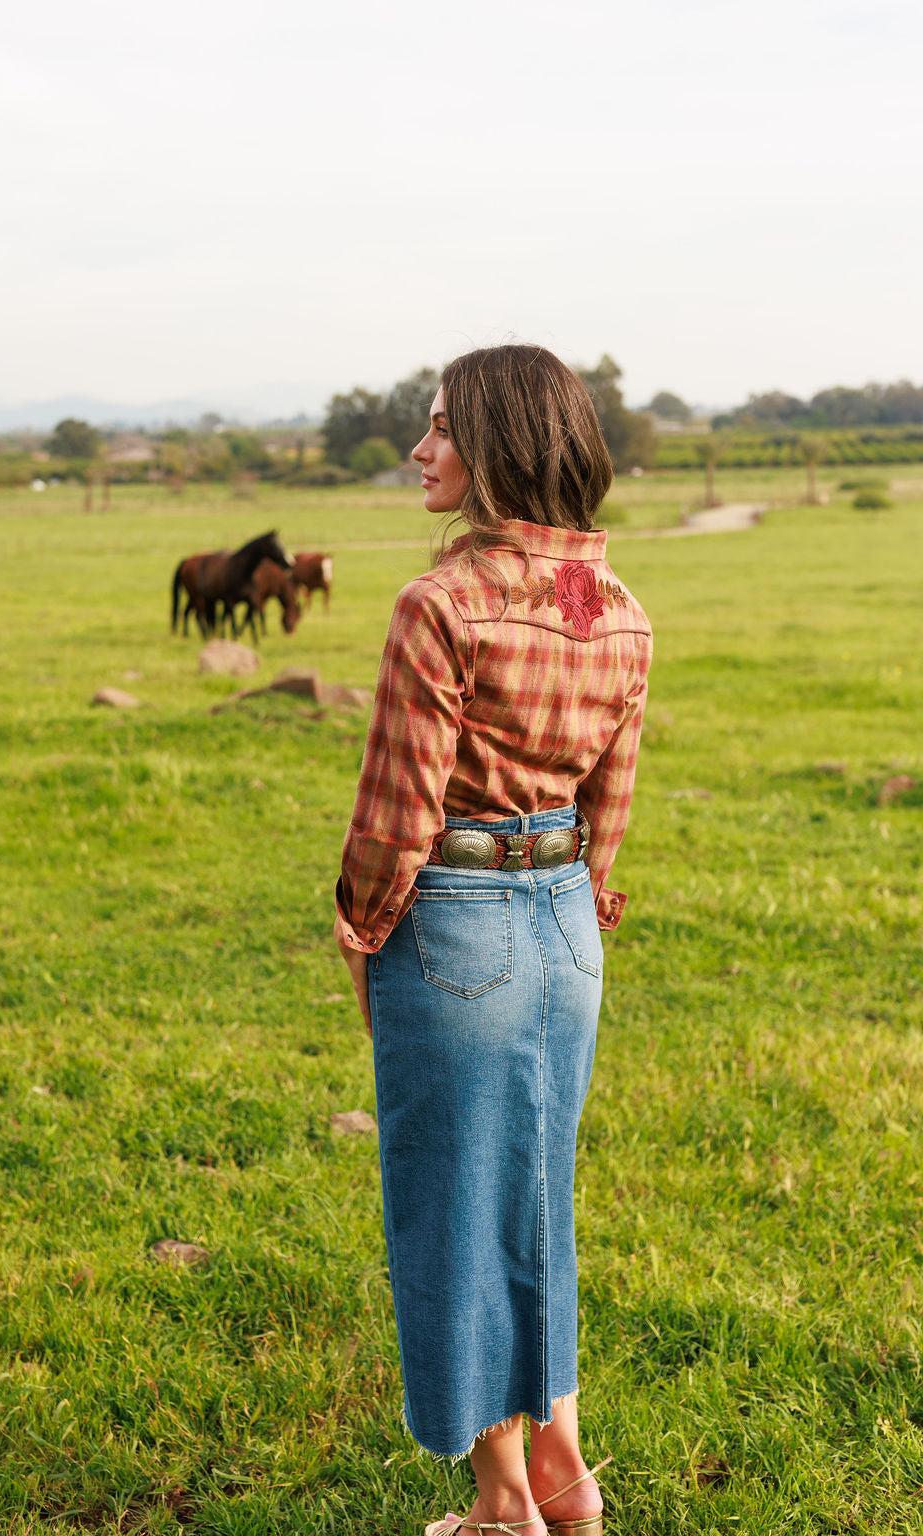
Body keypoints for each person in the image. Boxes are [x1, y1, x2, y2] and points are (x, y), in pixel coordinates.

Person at [334, 345, 653, 1536]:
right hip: (570, 921)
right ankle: (564, 1476)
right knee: (534, 1194)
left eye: (440, 430)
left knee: (453, 1209)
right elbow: (606, 812)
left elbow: (398, 811)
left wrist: (362, 930)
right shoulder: (622, 613)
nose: (421, 452)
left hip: (454, 921)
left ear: (501, 445)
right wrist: (573, 901)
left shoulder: (441, 605)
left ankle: (501, 1505)